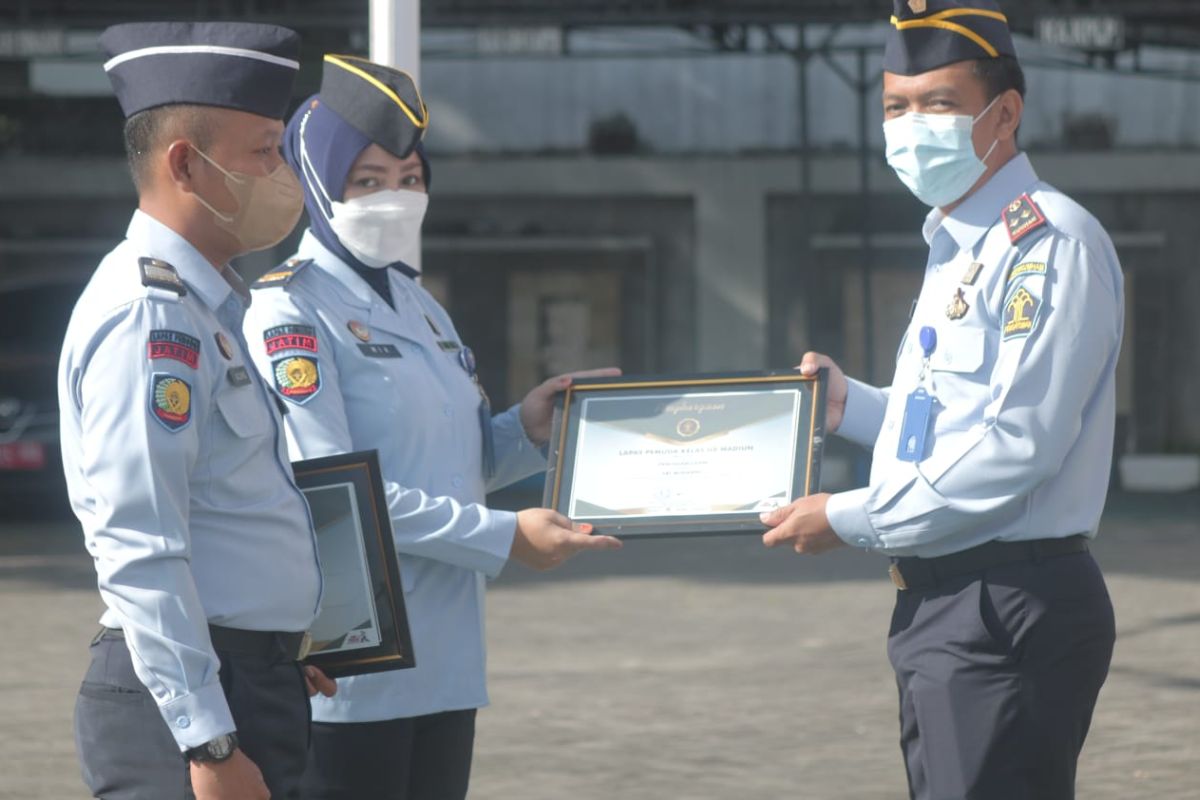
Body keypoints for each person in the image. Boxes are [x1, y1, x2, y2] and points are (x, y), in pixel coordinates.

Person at [759, 2, 1120, 798]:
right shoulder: (959, 245)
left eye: (939, 103)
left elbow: (1017, 445)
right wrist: (849, 406)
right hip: (951, 602)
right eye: (896, 105)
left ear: (1006, 112)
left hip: (1004, 603)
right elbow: (946, 427)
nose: (911, 124)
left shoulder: (1045, 243)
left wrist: (849, 516)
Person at [242, 54, 622, 800]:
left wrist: (527, 430)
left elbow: (452, 465)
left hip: (448, 661)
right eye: (369, 181)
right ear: (319, 184)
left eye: (411, 179)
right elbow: (332, 496)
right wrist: (506, 537)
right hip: (357, 671)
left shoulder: (420, 305)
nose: (396, 198)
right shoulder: (288, 313)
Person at [60, 22, 336, 800]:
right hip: (189, 712)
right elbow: (138, 542)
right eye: (265, 151)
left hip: (245, 679)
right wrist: (208, 739)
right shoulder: (153, 318)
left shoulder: (205, 306)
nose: (283, 173)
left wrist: (277, 643)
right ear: (187, 162)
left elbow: (228, 510)